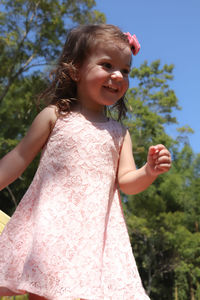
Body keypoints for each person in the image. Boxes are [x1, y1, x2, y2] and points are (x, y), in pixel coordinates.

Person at [0, 24, 171, 300]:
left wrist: (148, 171)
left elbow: (126, 182)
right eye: (107, 65)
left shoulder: (119, 133)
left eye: (125, 71)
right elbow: (17, 160)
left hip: (96, 238)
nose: (118, 75)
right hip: (52, 231)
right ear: (75, 70)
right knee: (44, 291)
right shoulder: (54, 116)